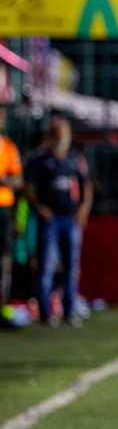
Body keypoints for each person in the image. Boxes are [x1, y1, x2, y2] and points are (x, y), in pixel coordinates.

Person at [23, 115, 93, 328]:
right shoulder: (40, 158)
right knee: (46, 265)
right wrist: (39, 207)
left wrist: (84, 209)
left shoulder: (75, 157)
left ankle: (69, 310)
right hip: (51, 219)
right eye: (57, 132)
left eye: (64, 132)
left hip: (70, 218)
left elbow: (87, 185)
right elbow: (26, 185)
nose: (61, 137)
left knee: (72, 265)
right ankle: (45, 312)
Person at [0, 107, 22, 327]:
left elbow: (18, 179)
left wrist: (4, 180)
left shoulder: (8, 147)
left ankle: (3, 306)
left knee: (5, 257)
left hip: (4, 209)